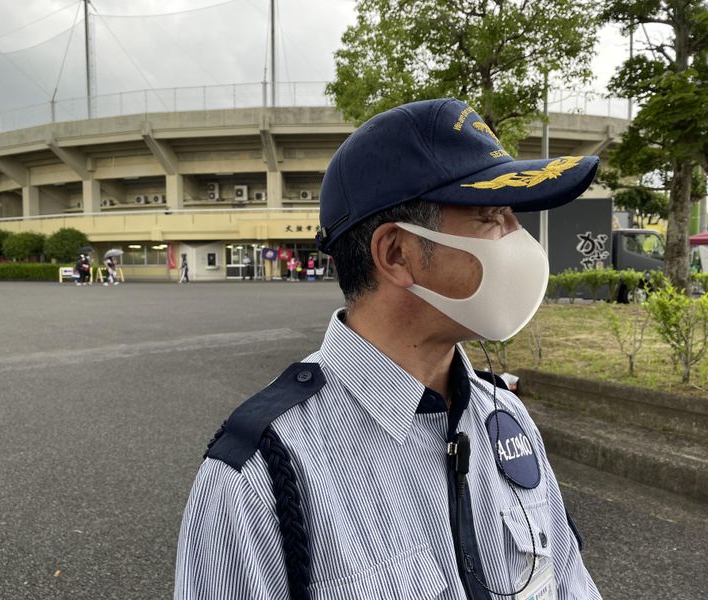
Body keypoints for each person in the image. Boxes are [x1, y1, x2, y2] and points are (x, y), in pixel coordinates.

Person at [175, 99, 602, 599]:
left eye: (513, 216)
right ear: (396, 253)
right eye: (492, 217)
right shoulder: (256, 478)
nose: (520, 240)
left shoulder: (507, 419)